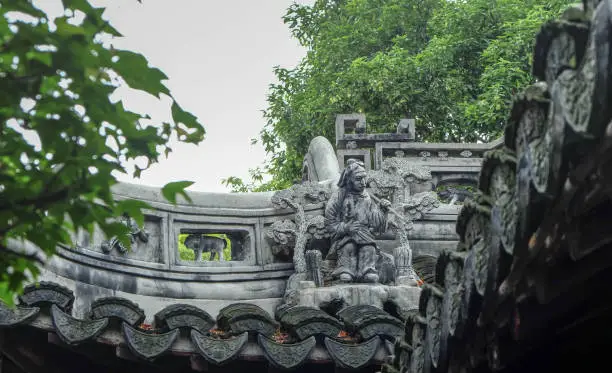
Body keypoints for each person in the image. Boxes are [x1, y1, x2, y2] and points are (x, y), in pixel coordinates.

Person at [324, 159, 391, 283]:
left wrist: (382, 211)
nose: (363, 183)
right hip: (345, 237)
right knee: (349, 247)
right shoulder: (340, 195)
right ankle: (346, 270)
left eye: (364, 178)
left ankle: (367, 270)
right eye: (358, 179)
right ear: (349, 180)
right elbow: (329, 221)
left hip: (365, 235)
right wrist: (345, 228)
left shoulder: (367, 197)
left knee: (369, 248)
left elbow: (376, 224)